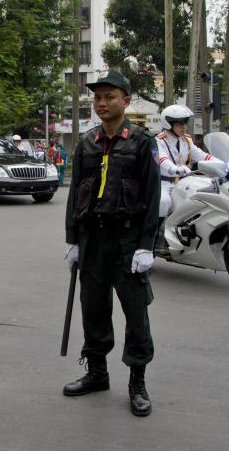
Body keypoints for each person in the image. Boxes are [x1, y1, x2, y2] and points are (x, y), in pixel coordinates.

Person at [63, 70, 160, 417]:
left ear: (126, 101)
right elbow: (76, 194)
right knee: (93, 309)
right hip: (92, 239)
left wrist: (148, 246)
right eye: (97, 98)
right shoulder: (87, 143)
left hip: (128, 240)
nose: (102, 103)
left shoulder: (141, 142)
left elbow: (152, 197)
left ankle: (137, 381)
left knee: (136, 313)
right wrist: (72, 239)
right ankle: (97, 372)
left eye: (110, 97)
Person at [155, 104, 213, 219]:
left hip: (183, 182)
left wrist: (222, 163)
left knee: (200, 201)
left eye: (184, 123)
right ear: (168, 124)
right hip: (164, 183)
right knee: (163, 202)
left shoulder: (186, 140)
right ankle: (155, 233)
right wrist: (175, 169)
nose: (184, 127)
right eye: (180, 124)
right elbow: (162, 160)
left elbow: (202, 155)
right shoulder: (159, 141)